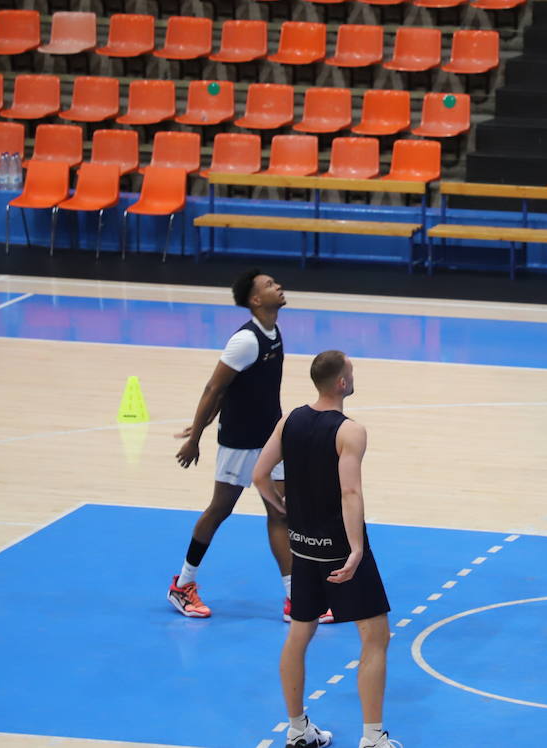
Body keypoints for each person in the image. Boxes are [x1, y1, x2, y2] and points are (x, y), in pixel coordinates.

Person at [253, 351, 397, 748]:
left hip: (302, 547)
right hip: (338, 548)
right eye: (351, 371)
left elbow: (259, 475)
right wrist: (354, 550)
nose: (354, 375)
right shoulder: (350, 431)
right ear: (340, 383)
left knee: (299, 635)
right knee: (375, 637)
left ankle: (298, 730)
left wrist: (283, 510)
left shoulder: (290, 420)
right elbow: (350, 492)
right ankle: (372, 738)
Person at [168, 268, 325, 623]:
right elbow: (215, 389)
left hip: (271, 439)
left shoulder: (274, 332)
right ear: (255, 300)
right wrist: (196, 437)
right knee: (219, 510)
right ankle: (183, 583)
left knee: (281, 512)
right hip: (239, 443)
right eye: (270, 284)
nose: (278, 286)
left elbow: (239, 388)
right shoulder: (246, 341)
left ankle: (294, 597)